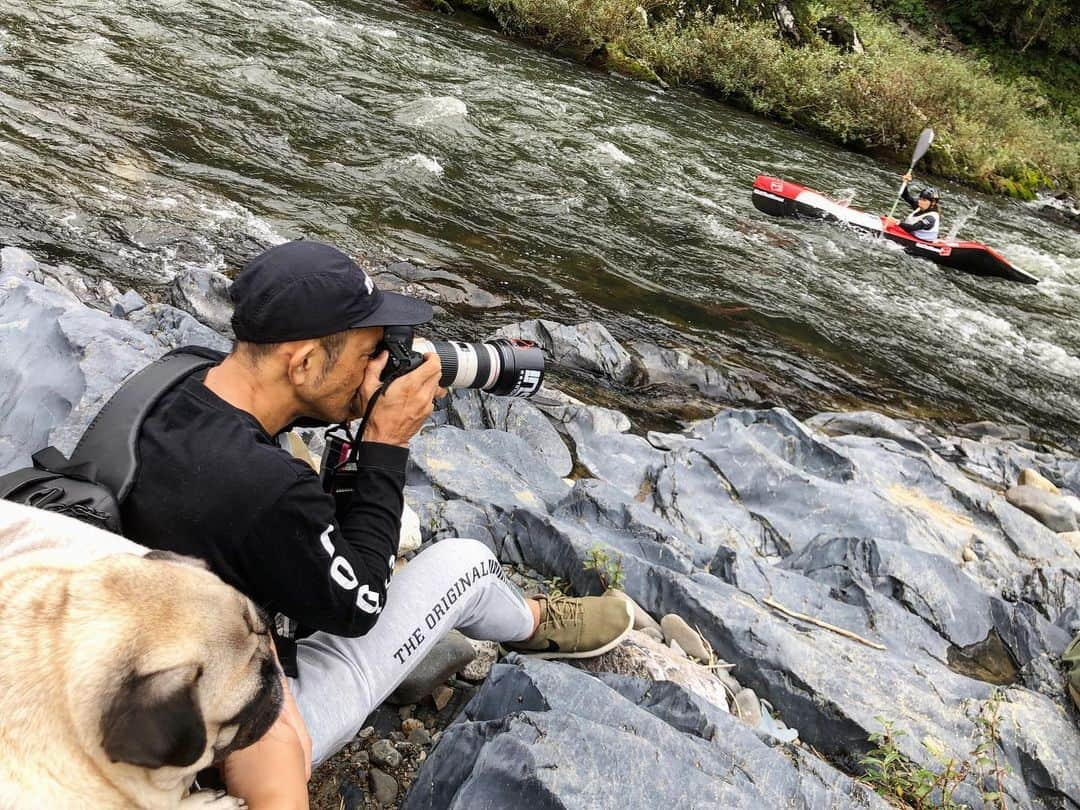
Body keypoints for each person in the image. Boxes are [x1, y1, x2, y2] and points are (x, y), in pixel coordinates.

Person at [120, 239, 634, 807]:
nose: (378, 366)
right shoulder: (263, 488)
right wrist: (386, 444)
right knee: (465, 562)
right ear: (306, 362)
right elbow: (360, 605)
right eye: (369, 352)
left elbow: (270, 511)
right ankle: (533, 623)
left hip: (147, 652)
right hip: (237, 735)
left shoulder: (180, 377)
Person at [884, 171, 941, 241]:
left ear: (933, 203)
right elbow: (906, 196)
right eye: (920, 199)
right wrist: (905, 183)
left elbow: (912, 228)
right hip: (910, 235)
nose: (920, 201)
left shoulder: (930, 218)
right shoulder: (920, 207)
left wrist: (896, 222)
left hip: (922, 243)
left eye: (924, 200)